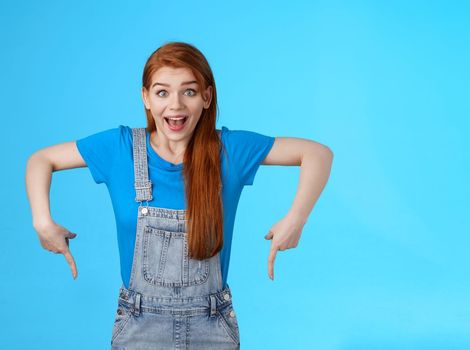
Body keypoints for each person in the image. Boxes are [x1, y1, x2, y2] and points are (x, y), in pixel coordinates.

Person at [24, 41, 333, 349]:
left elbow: (317, 154)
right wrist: (42, 221)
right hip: (138, 328)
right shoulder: (120, 149)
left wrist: (296, 219)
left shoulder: (230, 151)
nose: (175, 105)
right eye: (162, 92)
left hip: (212, 328)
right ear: (145, 98)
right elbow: (41, 160)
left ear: (207, 97)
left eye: (189, 91)